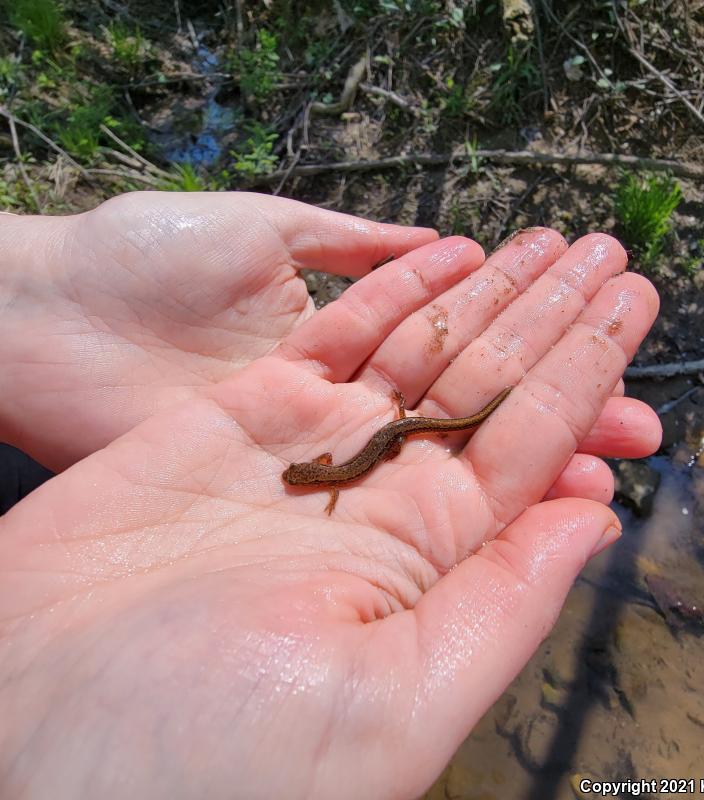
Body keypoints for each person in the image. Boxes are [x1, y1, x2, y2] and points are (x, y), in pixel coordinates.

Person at [0, 193, 660, 799]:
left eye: (304, 477)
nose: (304, 478)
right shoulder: (329, 475)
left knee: (428, 426)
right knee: (418, 426)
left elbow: (337, 479)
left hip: (400, 429)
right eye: (306, 478)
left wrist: (368, 452)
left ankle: (478, 408)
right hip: (395, 429)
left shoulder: (333, 477)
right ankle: (470, 408)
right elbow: (329, 477)